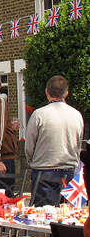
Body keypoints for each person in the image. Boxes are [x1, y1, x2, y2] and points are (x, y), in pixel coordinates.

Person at [24, 75, 84, 205]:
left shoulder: (39, 115)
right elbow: (78, 143)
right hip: (69, 171)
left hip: (43, 171)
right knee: (68, 218)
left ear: (47, 91)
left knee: (41, 217)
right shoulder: (77, 115)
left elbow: (29, 145)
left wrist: (32, 161)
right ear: (66, 93)